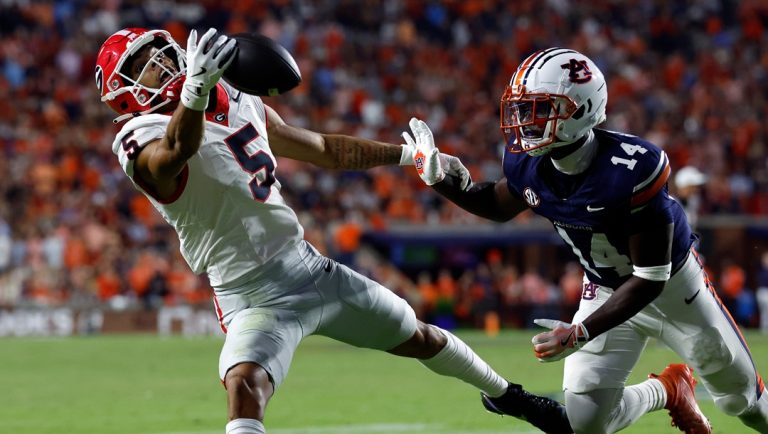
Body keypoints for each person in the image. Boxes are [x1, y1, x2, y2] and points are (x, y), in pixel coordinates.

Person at [95, 28, 573, 434]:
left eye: (160, 52)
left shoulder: (230, 95)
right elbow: (173, 153)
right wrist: (195, 94)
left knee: (422, 338)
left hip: (309, 267)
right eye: (143, 64)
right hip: (249, 292)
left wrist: (406, 157)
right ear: (124, 91)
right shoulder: (138, 135)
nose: (161, 62)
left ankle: (511, 398)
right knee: (245, 384)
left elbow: (323, 147)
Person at [404, 47, 768, 433]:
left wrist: (580, 332)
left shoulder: (630, 169)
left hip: (674, 291)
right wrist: (438, 179)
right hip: (605, 288)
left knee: (745, 404)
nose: (524, 121)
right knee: (587, 424)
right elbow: (497, 204)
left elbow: (650, 278)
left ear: (580, 110)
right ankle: (668, 389)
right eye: (522, 109)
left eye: (540, 109)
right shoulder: (530, 165)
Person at [673, 165, 708, 232]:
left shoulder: (694, 202)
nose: (696, 189)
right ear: (684, 186)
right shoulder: (669, 205)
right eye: (692, 186)